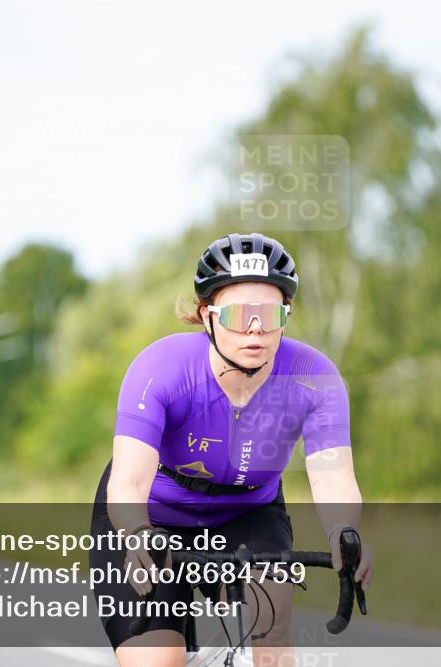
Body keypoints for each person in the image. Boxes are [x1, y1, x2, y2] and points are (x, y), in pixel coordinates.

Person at [90, 232, 372, 667]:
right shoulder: (161, 367)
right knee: (156, 661)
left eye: (271, 313)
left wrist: (342, 532)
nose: (256, 328)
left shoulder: (315, 377)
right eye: (240, 315)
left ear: (287, 315)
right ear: (208, 315)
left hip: (248, 512)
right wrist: (136, 534)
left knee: (271, 620)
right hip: (151, 516)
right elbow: (128, 481)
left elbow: (334, 475)